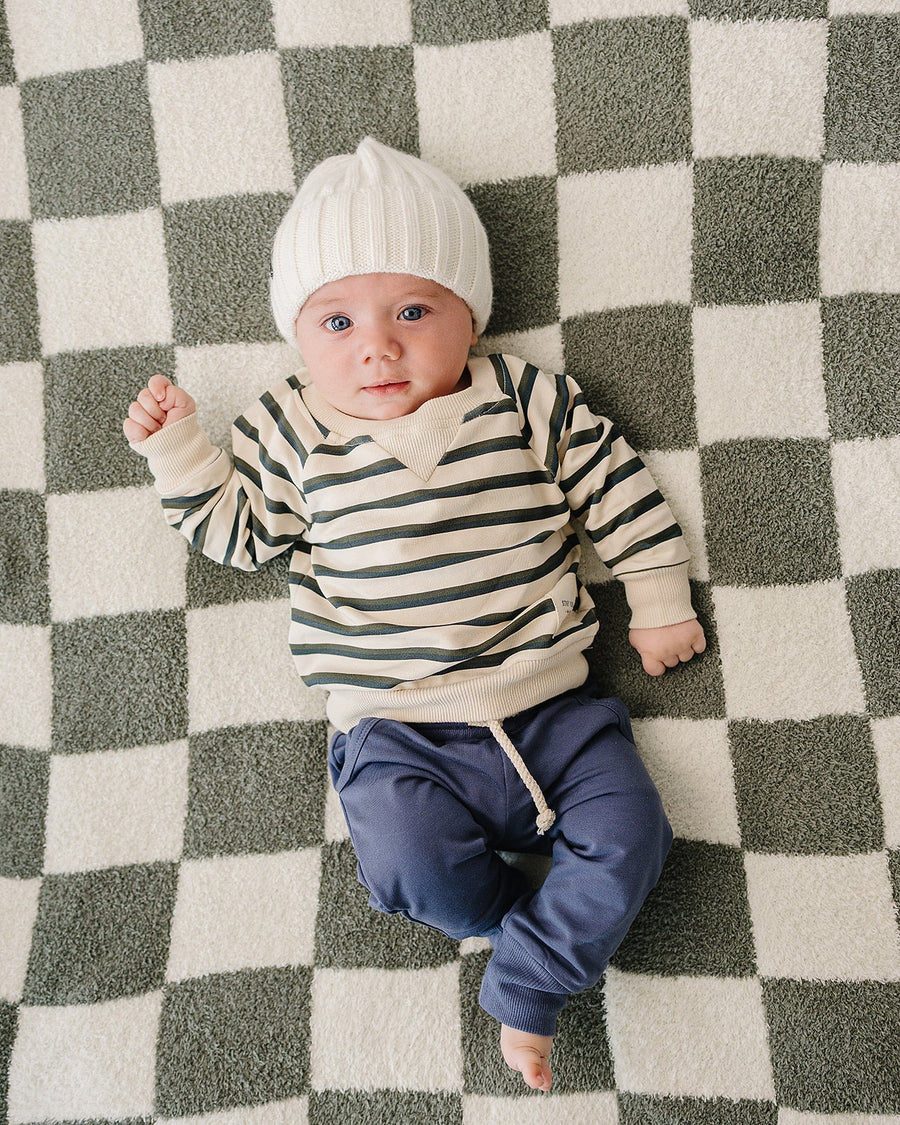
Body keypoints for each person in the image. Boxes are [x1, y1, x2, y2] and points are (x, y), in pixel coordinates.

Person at [124, 137, 706, 1093]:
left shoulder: (519, 398)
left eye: (412, 311)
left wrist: (656, 598)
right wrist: (182, 453)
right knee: (407, 868)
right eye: (338, 320)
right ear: (299, 339)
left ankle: (531, 975)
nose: (378, 345)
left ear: (468, 314)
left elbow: (614, 482)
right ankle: (508, 931)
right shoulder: (289, 427)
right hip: (394, 727)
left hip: (552, 704)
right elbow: (238, 535)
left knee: (637, 832)